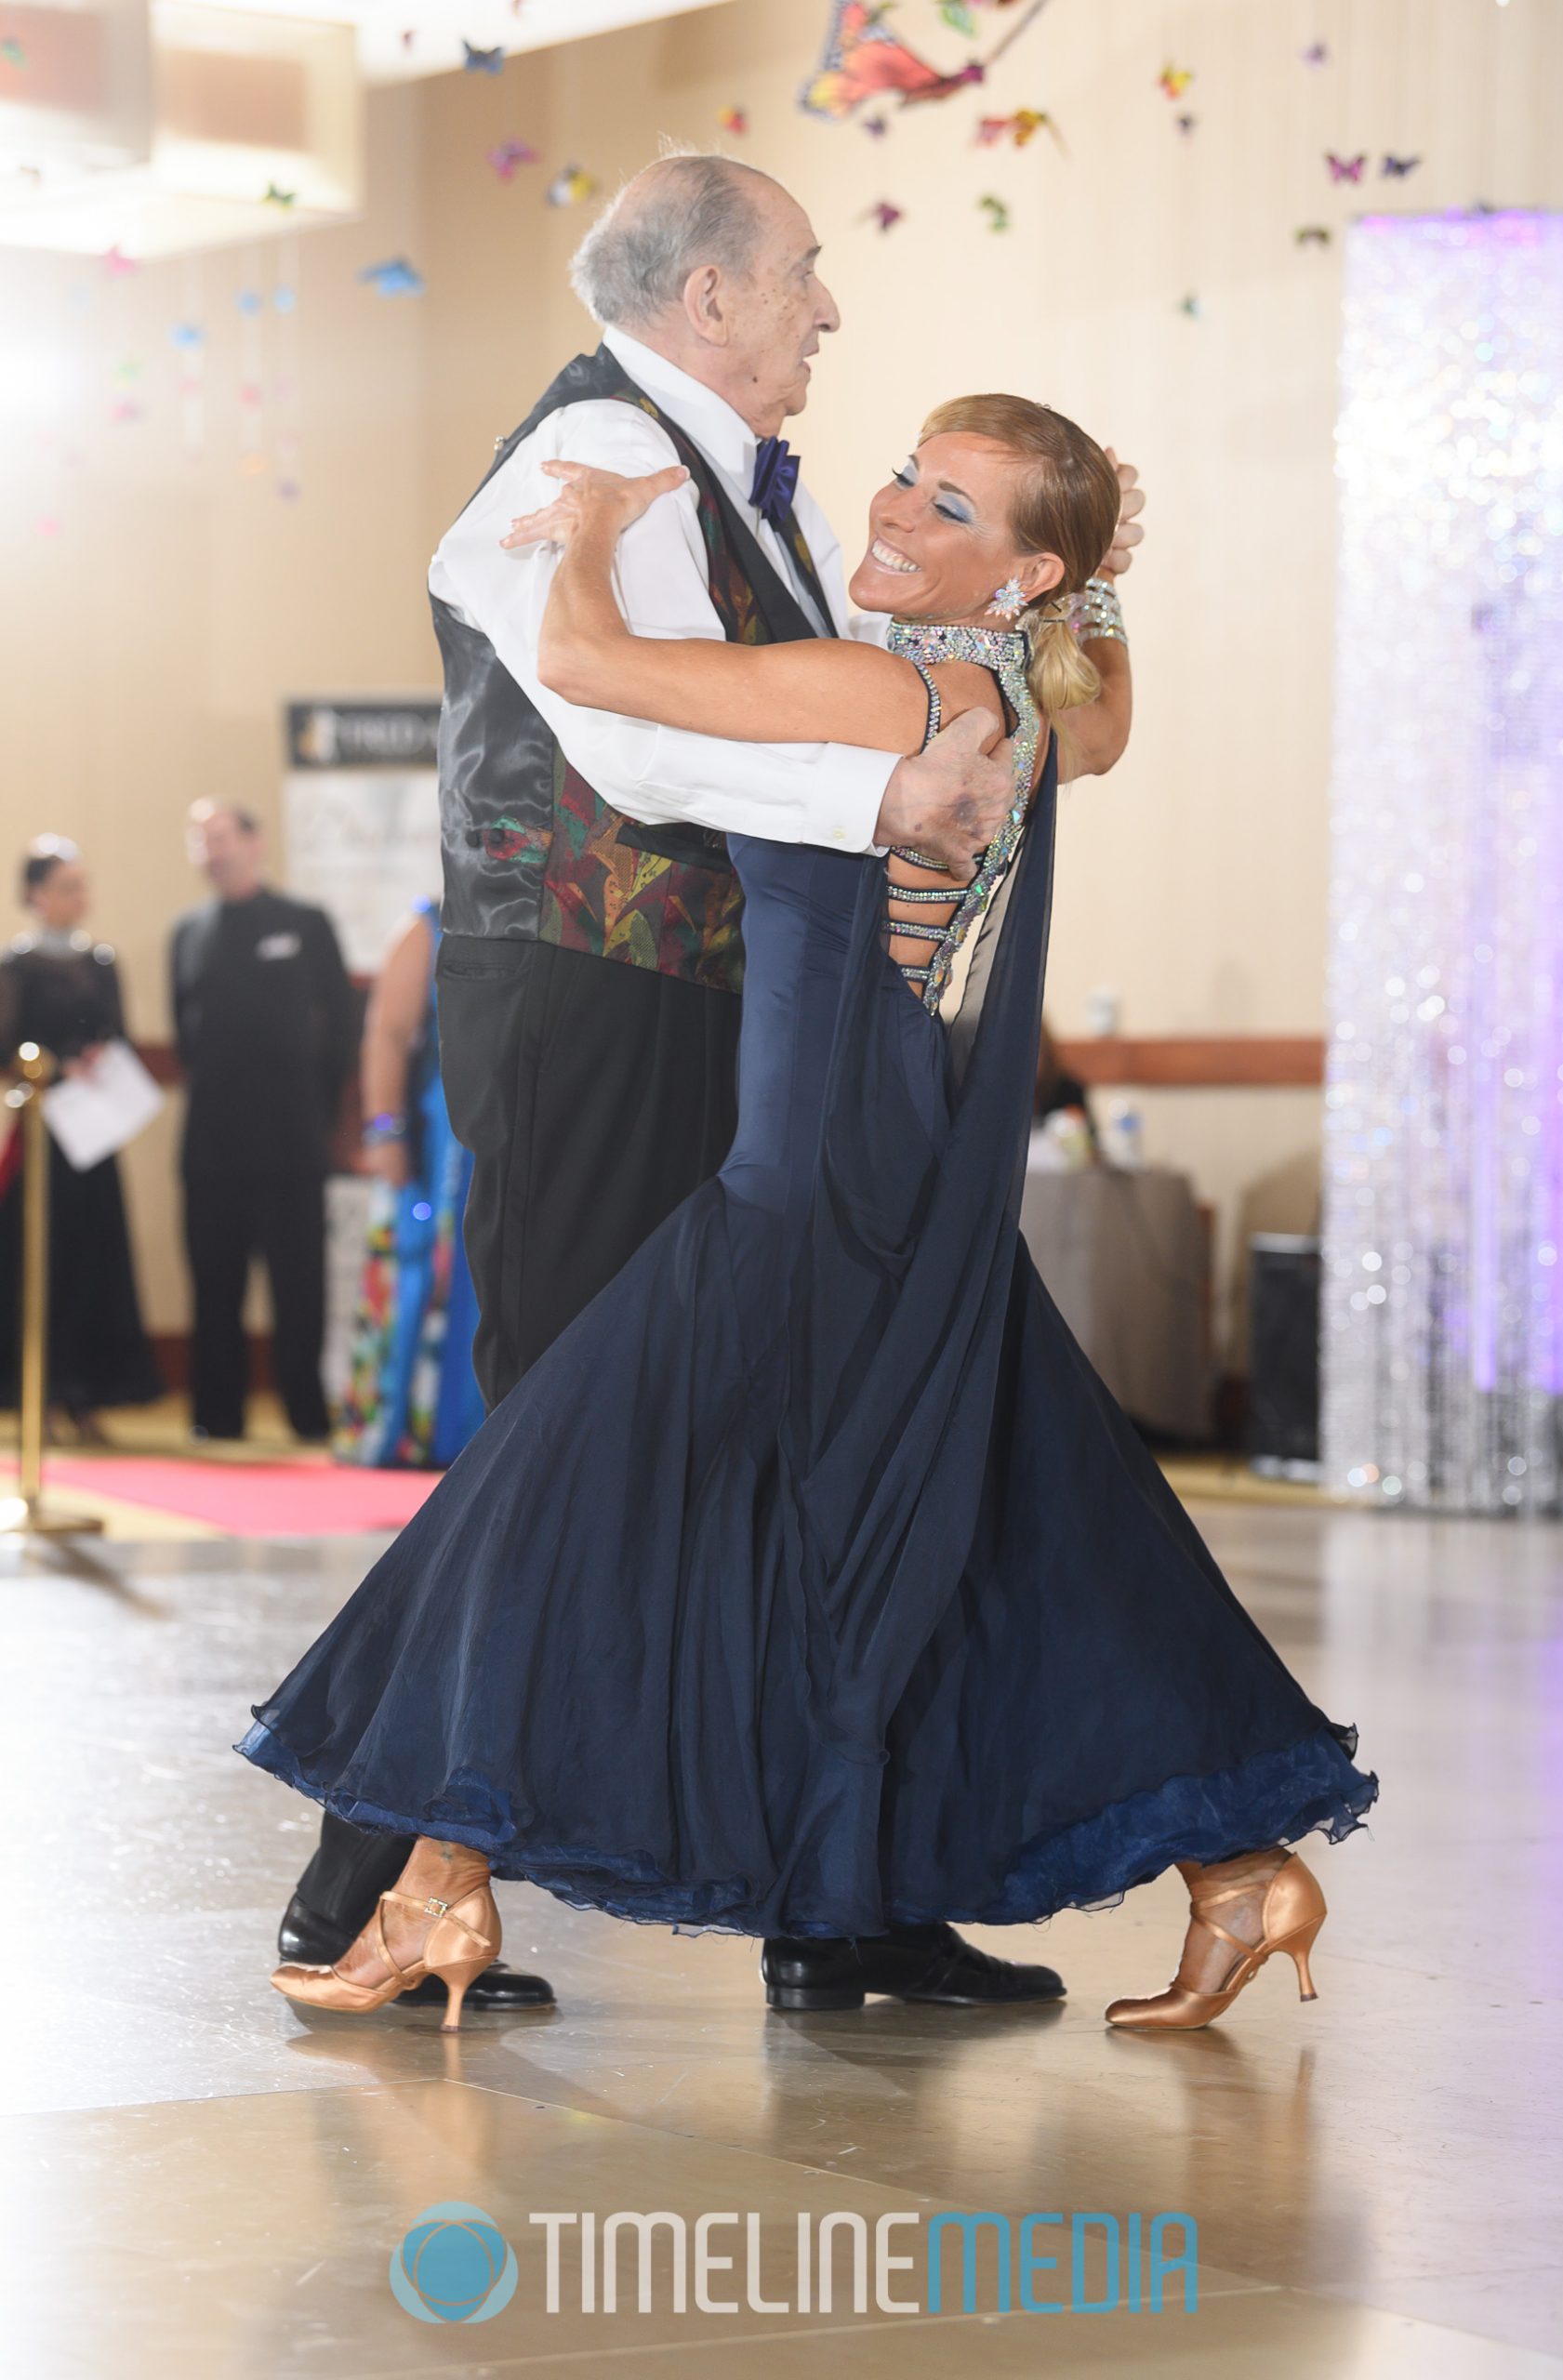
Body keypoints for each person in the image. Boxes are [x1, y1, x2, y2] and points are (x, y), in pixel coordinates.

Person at [240, 390, 1377, 2037]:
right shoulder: (1026, 685)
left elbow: (593, 672)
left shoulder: (886, 684)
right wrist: (1093, 584)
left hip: (809, 1179)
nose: (899, 508)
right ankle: (1237, 1871)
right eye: (912, 474)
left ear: (1017, 569)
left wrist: (589, 540)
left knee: (566, 1487)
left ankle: (432, 1890)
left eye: (951, 509)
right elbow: (1111, 719)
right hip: (885, 1163)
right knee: (1017, 1514)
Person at [271, 154, 1146, 2017]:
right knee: (566, 1424)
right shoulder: (587, 464)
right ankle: (370, 1877)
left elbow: (962, 696)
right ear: (712, 301)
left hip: (736, 1013)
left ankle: (837, 1900)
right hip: (596, 997)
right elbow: (624, 728)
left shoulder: (742, 482)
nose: (827, 307)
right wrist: (887, 792)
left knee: (792, 1449)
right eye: (804, 272)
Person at [170, 803, 356, 1444]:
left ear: (256, 841)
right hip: (212, 1149)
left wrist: (327, 1118)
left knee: (299, 1290)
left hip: (292, 1145)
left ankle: (307, 1414)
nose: (210, 850)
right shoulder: (187, 933)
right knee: (214, 1290)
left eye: (220, 837)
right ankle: (216, 1417)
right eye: (200, 840)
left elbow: (344, 1032)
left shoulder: (306, 924)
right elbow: (185, 1038)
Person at [0, 837, 164, 1434]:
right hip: (45, 1134)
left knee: (97, 1260)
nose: (79, 896)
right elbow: (6, 1047)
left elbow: (118, 1032)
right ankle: (36, 1396)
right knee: (41, 1260)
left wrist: (98, 1057)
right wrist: (56, 1065)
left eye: (83, 884)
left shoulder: (100, 960)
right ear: (35, 894)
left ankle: (88, 1394)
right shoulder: (15, 965)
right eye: (67, 885)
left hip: (94, 1132)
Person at [335, 900, 485, 1468]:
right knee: (426, 1271)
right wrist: (385, 1132)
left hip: (509, 1129)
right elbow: (387, 1036)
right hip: (438, 1141)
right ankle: (414, 1427)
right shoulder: (426, 925)